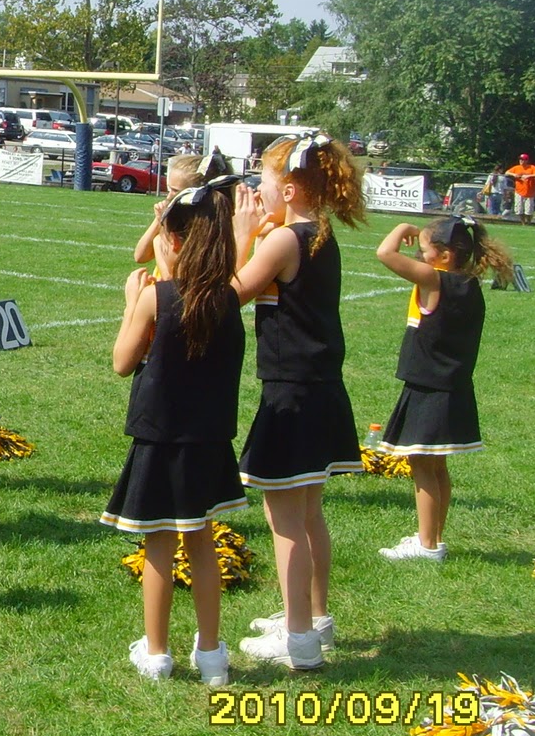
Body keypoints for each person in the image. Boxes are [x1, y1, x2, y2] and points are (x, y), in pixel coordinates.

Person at [230, 132, 368, 670]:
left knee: (285, 516)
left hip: (292, 393)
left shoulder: (284, 240)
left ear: (288, 188)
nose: (254, 190)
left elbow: (230, 293)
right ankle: (313, 616)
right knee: (309, 513)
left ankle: (299, 639)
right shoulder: (313, 233)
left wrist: (244, 236)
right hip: (320, 387)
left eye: (260, 181)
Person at [105, 173, 245, 684]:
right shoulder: (229, 299)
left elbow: (123, 362)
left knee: (159, 546)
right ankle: (211, 654)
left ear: (177, 239)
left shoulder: (157, 297)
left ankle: (157, 652)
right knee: (202, 543)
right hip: (208, 440)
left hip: (161, 439)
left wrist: (131, 303)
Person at [373, 216, 513, 562]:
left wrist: (404, 228)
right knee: (436, 467)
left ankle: (428, 546)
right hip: (451, 387)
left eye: (423, 250)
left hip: (429, 388)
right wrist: (419, 238)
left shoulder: (434, 280)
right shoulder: (468, 283)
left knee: (421, 465)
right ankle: (431, 536)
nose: (419, 256)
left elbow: (385, 253)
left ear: (445, 255)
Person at [132, 150, 231, 272]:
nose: (168, 197)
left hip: (169, 289)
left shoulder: (206, 226)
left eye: (175, 191)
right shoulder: (173, 217)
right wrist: (159, 221)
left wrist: (158, 244)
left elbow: (173, 277)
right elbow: (140, 256)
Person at [506, 153, 535, 224]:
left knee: (529, 210)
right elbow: (507, 172)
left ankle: (528, 222)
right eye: (520, 159)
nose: (521, 161)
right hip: (519, 191)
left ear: (527, 160)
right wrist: (514, 174)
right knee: (519, 209)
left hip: (530, 192)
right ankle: (523, 223)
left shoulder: (531, 167)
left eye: (523, 159)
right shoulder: (516, 167)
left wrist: (529, 176)